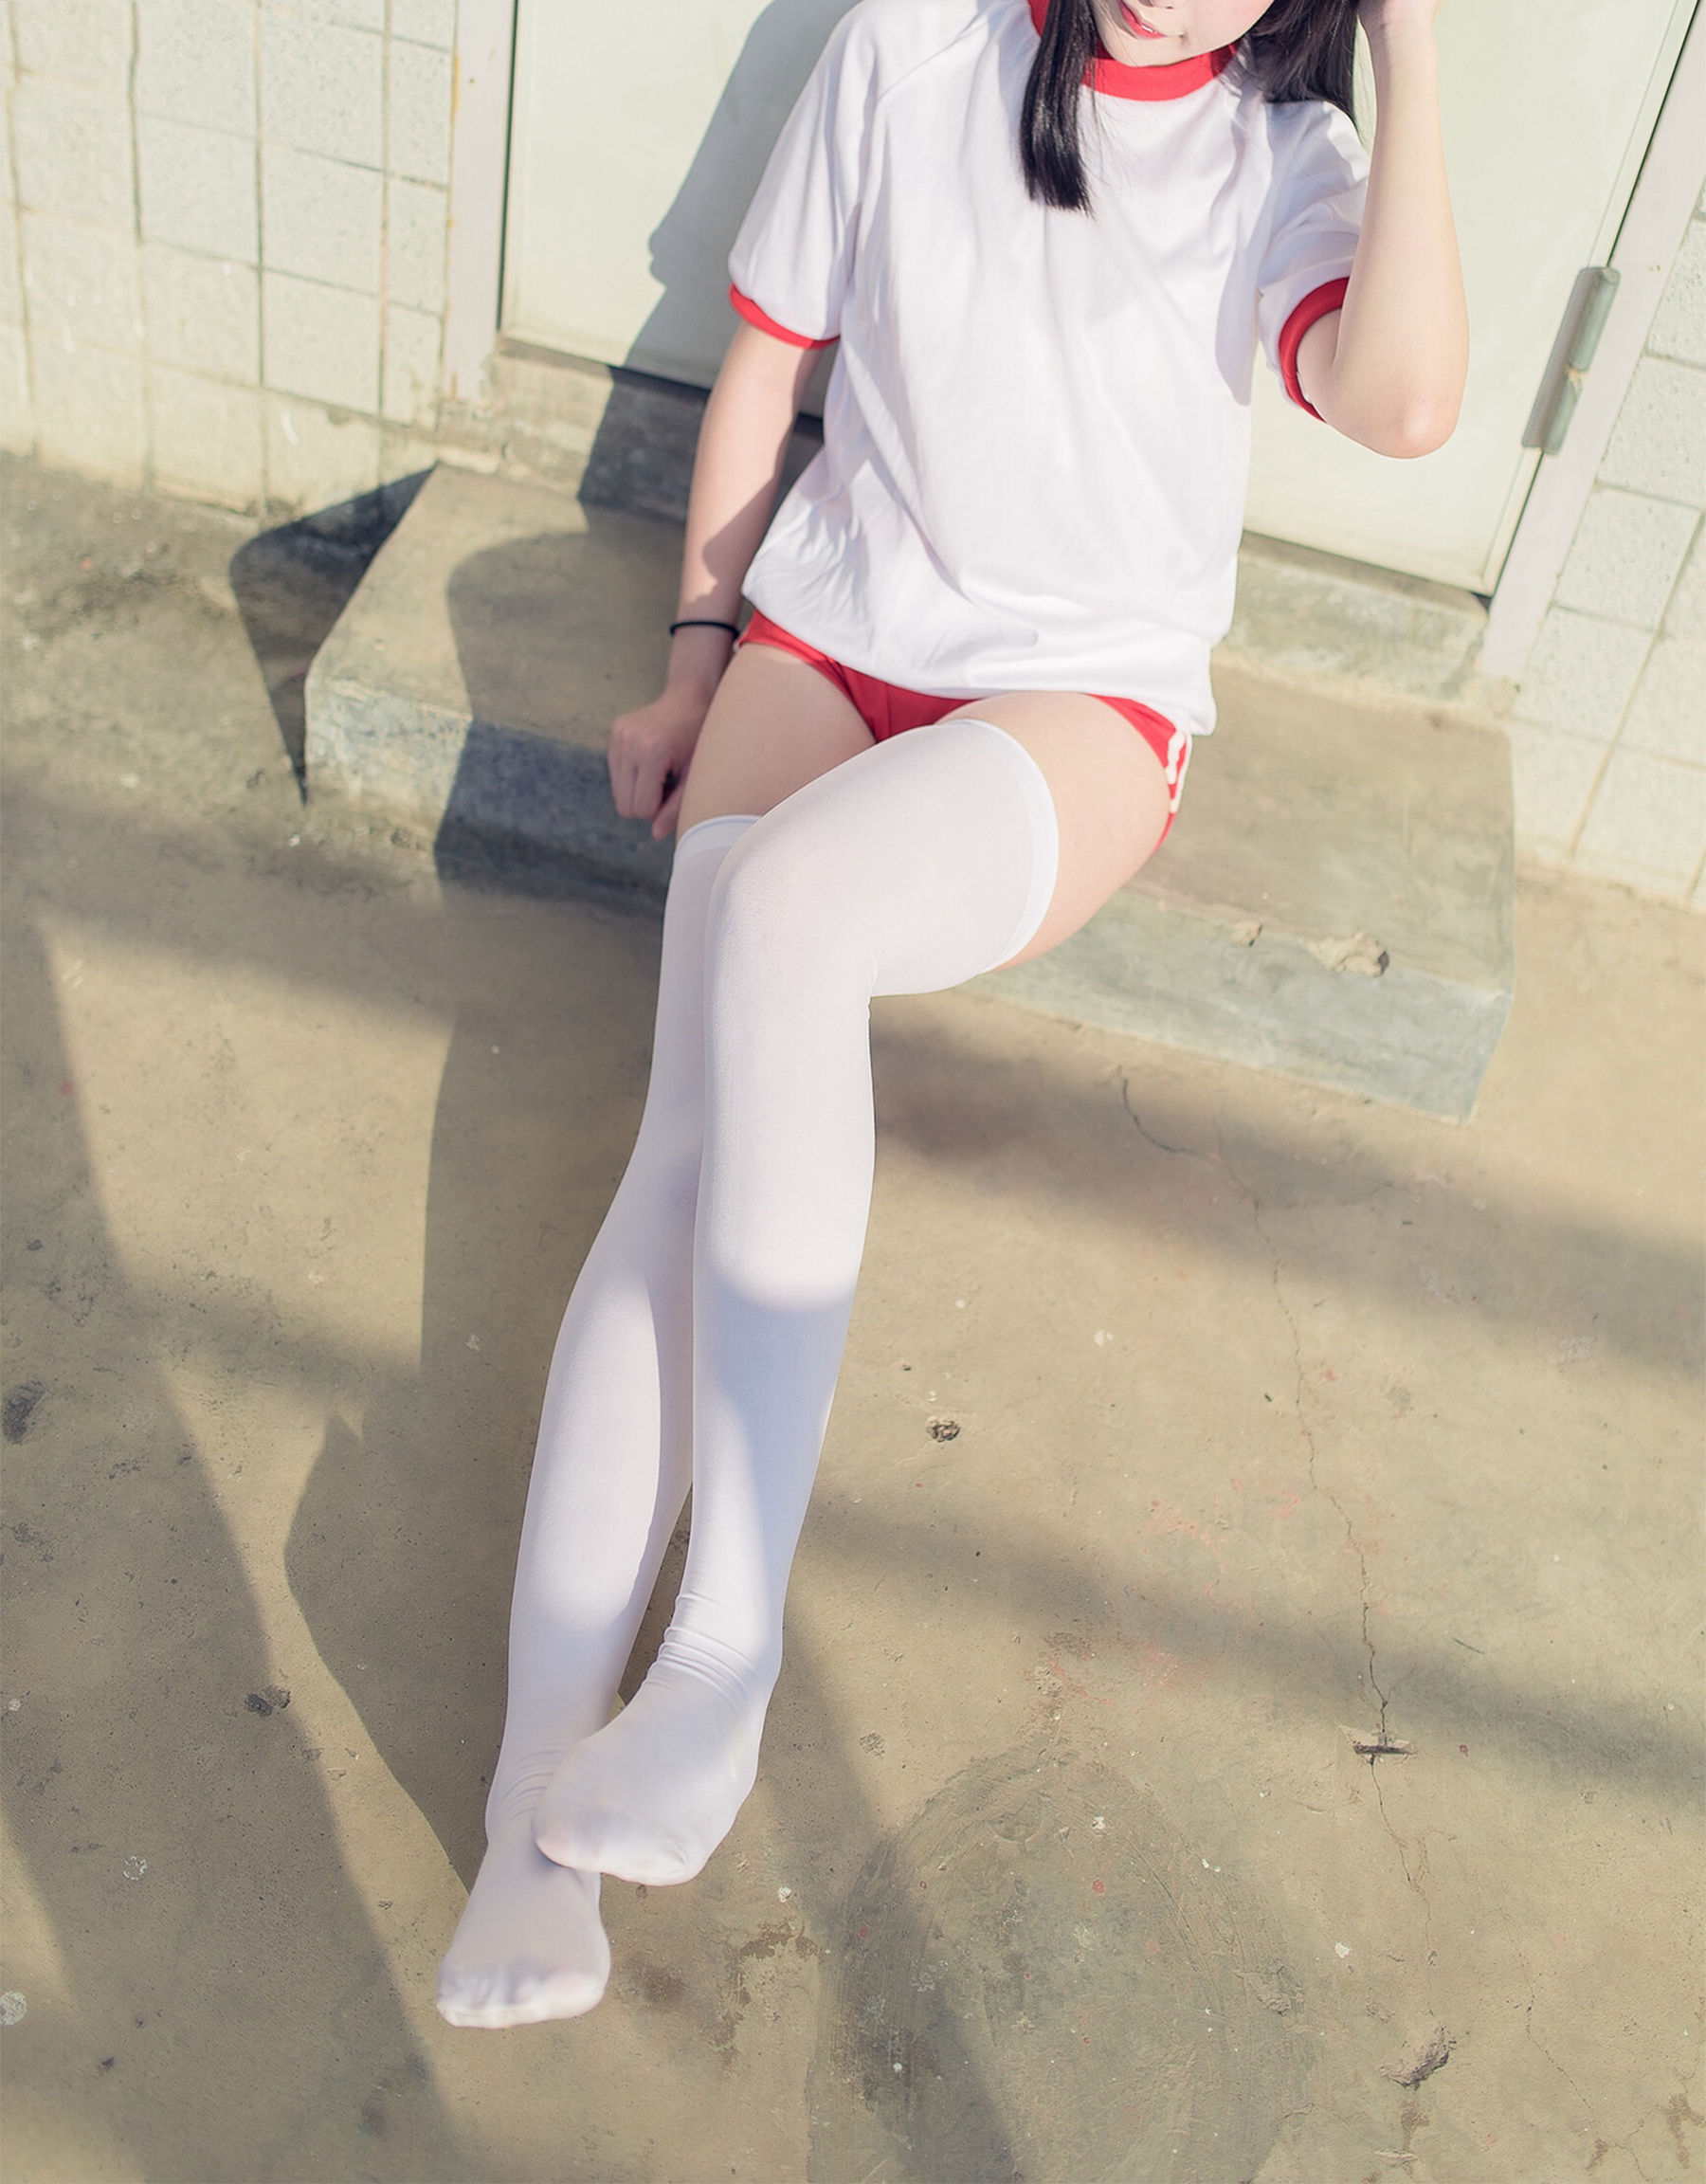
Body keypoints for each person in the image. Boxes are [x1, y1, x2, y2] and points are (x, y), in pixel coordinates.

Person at [435, 0, 1467, 2028]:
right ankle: (527, 1833)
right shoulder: (914, 42)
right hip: (829, 638)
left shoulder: (1286, 164)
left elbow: (1408, 402)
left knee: (788, 916)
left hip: (1078, 701)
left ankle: (721, 1652)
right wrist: (695, 657)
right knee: (678, 1159)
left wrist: (1418, 55)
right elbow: (770, 365)